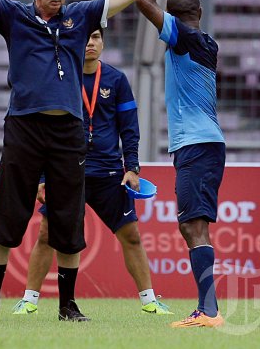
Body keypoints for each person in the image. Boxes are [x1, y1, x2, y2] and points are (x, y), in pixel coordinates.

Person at [0, 0, 139, 322]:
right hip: (24, 126)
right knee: (8, 213)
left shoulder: (81, 15)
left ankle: (68, 306)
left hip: (68, 131)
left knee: (68, 216)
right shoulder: (13, 15)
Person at [11, 29, 172, 317]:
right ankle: (29, 300)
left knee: (131, 235)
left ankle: (149, 301)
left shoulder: (116, 80)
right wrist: (43, 177)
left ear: (103, 42)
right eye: (85, 37)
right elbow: (45, 131)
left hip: (109, 173)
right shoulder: (60, 78)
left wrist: (132, 168)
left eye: (96, 36)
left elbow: (129, 128)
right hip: (67, 171)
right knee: (47, 234)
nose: (90, 43)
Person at [135, 0, 226, 328]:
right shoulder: (201, 39)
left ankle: (209, 311)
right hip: (203, 143)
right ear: (200, 12)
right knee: (192, 224)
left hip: (197, 144)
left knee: (193, 226)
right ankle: (207, 309)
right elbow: (173, 8)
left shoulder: (183, 38)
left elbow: (143, 0)